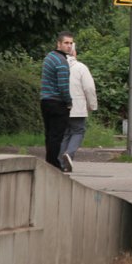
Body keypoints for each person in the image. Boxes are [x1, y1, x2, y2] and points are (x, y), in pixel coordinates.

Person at [59, 44, 98, 173]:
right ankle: (69, 154)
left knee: (65, 133)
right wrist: (92, 105)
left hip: (60, 107)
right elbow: (89, 88)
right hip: (77, 107)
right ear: (74, 53)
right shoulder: (81, 68)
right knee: (78, 131)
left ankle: (60, 162)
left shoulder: (57, 67)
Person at [40, 31, 73, 169]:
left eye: (71, 43)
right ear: (58, 44)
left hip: (45, 100)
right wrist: (69, 102)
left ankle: (50, 162)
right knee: (57, 136)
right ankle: (53, 164)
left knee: (49, 134)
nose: (69, 46)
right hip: (57, 102)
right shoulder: (61, 62)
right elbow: (63, 86)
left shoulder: (49, 57)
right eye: (66, 43)